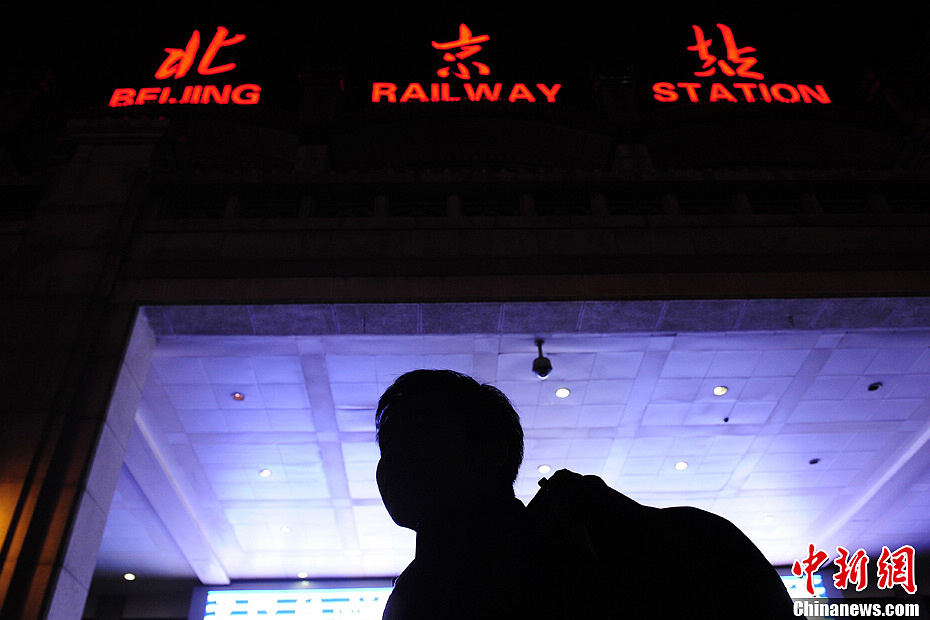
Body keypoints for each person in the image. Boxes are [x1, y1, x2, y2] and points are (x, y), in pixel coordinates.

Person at [375, 369, 797, 619]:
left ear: (490, 453)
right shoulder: (424, 582)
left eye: (422, 432)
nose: (395, 456)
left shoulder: (583, 546)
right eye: (388, 443)